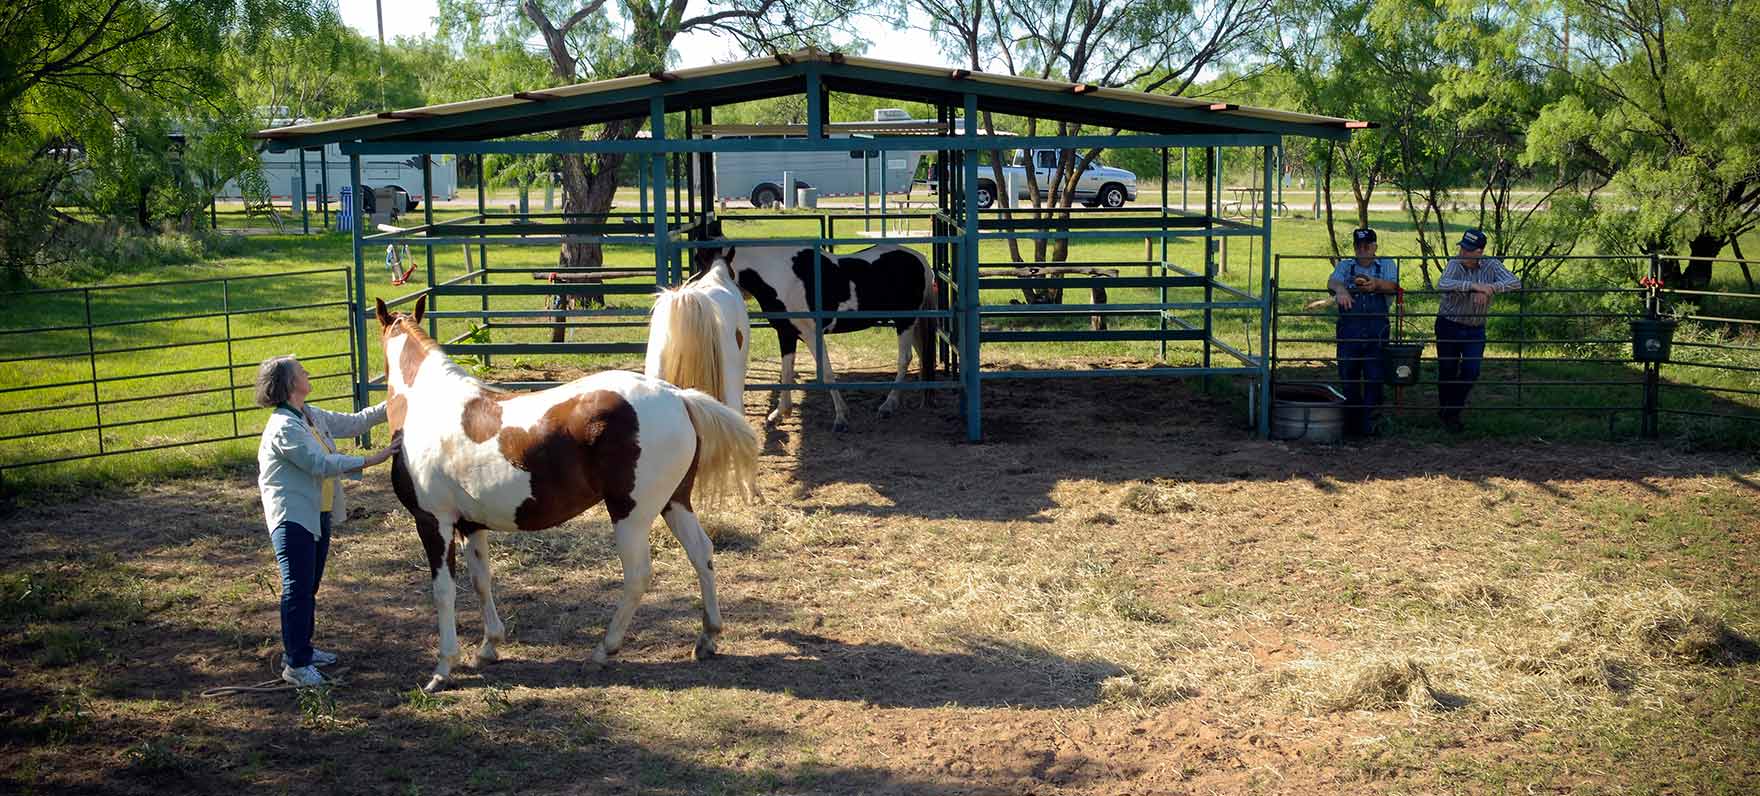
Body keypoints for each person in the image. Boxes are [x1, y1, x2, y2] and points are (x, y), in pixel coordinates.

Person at [255, 355, 397, 687]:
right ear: (291, 384)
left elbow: (356, 422)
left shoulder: (309, 415)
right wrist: (374, 458)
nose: (307, 373)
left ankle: (302, 649)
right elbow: (319, 463)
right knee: (297, 589)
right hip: (293, 519)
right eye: (301, 371)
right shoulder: (284, 427)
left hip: (316, 515)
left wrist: (396, 400)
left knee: (309, 587)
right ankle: (296, 665)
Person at [1434, 228, 1521, 432]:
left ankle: (1451, 410)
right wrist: (1474, 286)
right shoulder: (1455, 263)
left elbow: (1515, 282)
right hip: (1449, 323)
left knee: (1471, 370)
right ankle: (1447, 413)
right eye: (1463, 247)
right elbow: (1443, 283)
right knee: (1447, 369)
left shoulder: (1491, 265)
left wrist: (1490, 288)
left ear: (1480, 251)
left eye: (1469, 249)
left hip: (1475, 328)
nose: (1463, 252)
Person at [1328, 228, 1401, 437]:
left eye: (1367, 245)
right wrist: (1341, 290)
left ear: (1375, 247)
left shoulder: (1386, 264)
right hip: (1349, 330)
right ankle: (1352, 421)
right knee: (1348, 375)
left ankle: (1369, 423)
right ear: (1355, 247)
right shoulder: (1345, 265)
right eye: (1359, 246)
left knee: (1374, 377)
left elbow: (1393, 285)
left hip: (1376, 330)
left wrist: (1376, 284)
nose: (1363, 249)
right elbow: (1331, 281)